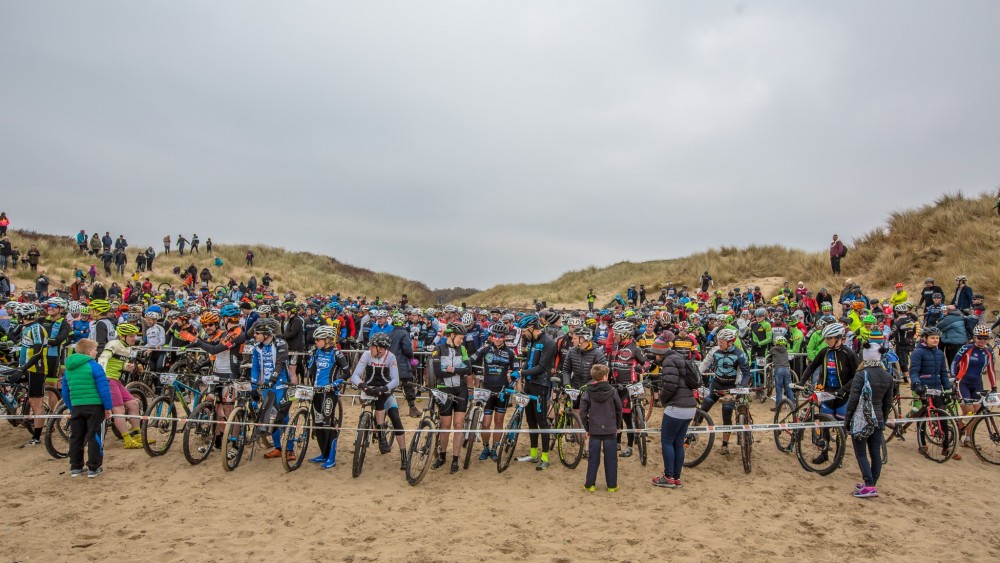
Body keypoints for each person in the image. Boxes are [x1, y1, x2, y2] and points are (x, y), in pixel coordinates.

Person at [350, 332, 409, 470]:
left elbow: (395, 380)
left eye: (372, 347)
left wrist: (384, 388)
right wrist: (362, 385)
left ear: (381, 348)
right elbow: (355, 375)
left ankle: (404, 455)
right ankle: (374, 432)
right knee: (376, 403)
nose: (370, 348)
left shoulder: (391, 357)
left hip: (385, 390)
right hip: (369, 389)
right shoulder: (366, 355)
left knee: (395, 418)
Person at [844, 343, 894, 499]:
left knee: (861, 453)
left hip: (862, 418)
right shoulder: (887, 376)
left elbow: (853, 399)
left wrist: (848, 418)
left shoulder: (861, 374)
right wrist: (883, 420)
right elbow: (888, 402)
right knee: (875, 453)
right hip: (878, 417)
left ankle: (869, 484)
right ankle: (872, 484)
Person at [649, 334, 697, 488]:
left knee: (667, 442)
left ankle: (668, 476)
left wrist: (663, 399)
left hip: (676, 407)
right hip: (689, 406)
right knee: (678, 443)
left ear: (659, 353)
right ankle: (676, 477)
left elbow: (670, 384)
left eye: (655, 354)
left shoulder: (669, 361)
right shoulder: (678, 358)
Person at [61, 339, 113, 478]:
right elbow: (104, 389)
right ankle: (94, 467)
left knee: (76, 436)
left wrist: (72, 406)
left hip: (77, 406)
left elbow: (65, 391)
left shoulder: (69, 369)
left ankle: (76, 467)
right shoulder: (94, 366)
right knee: (94, 435)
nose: (97, 352)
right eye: (95, 350)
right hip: (95, 406)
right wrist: (108, 407)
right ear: (89, 351)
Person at [469, 323, 519, 461]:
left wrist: (514, 378)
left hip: (502, 391)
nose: (497, 339)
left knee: (499, 421)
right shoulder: (485, 349)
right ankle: (485, 448)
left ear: (504, 338)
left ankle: (494, 448)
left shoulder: (510, 353)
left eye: (500, 336)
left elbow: (516, 369)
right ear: (491, 337)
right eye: (495, 336)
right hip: (487, 390)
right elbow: (470, 359)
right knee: (485, 423)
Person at [698, 328, 751, 455]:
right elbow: (704, 364)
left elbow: (747, 374)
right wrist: (695, 377)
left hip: (732, 387)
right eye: (718, 341)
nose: (719, 343)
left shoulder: (740, 354)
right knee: (703, 408)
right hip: (716, 384)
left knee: (726, 412)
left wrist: (740, 390)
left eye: (721, 342)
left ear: (730, 342)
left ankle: (724, 444)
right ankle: (691, 433)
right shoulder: (715, 350)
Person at [514, 314, 557, 470]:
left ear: (532, 328)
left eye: (525, 330)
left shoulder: (549, 342)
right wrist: (520, 370)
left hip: (541, 385)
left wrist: (521, 374)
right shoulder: (532, 341)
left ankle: (545, 457)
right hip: (529, 385)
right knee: (530, 420)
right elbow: (528, 362)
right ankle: (533, 454)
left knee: (542, 422)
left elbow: (541, 367)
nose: (523, 334)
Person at [429, 322, 471, 473]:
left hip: (461, 390)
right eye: (460, 338)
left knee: (458, 425)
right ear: (452, 335)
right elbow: (438, 373)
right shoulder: (438, 349)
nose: (462, 341)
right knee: (444, 425)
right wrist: (458, 371)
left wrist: (451, 369)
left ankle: (455, 458)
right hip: (444, 390)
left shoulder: (463, 349)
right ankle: (442, 456)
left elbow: (469, 369)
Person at [306, 326, 350, 469]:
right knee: (318, 424)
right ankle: (323, 454)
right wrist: (311, 357)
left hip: (329, 392)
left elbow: (346, 372)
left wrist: (335, 383)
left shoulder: (336, 353)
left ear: (327, 340)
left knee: (328, 424)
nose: (316, 342)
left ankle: (331, 457)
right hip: (317, 390)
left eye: (318, 340)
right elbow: (311, 370)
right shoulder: (317, 351)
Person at [97, 322, 145, 448]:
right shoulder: (114, 344)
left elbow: (118, 363)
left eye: (134, 335)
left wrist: (127, 367)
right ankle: (127, 439)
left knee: (133, 404)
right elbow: (103, 358)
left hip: (116, 380)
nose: (134, 338)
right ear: (122, 336)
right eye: (131, 336)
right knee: (119, 410)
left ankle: (137, 434)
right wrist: (101, 375)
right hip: (108, 379)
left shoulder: (127, 347)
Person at [951, 324, 996, 446]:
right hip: (963, 382)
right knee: (969, 410)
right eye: (979, 338)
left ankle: (968, 438)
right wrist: (954, 376)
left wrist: (994, 386)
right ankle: (958, 431)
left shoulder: (989, 352)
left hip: (977, 383)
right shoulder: (966, 348)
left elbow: (991, 370)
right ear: (975, 337)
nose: (982, 341)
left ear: (988, 339)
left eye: (985, 338)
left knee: (977, 412)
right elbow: (954, 362)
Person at [580, 364, 621, 492]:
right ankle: (612, 485)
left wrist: (587, 428)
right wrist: (617, 426)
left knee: (593, 458)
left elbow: (583, 412)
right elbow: (619, 409)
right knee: (611, 458)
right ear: (605, 376)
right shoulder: (613, 391)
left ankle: (590, 484)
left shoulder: (588, 391)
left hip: (594, 429)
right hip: (609, 429)